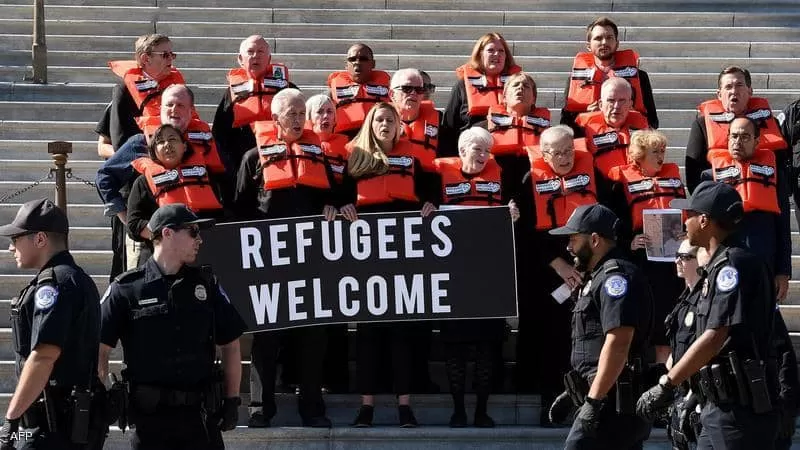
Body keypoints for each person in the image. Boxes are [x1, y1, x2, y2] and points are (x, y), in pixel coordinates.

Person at [636, 181, 779, 449]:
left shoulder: (732, 266)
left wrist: (667, 385)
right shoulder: (716, 266)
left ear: (704, 220)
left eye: (688, 215)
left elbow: (715, 337)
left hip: (740, 409)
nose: (684, 223)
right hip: (716, 403)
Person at [98, 204, 245, 449]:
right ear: (167, 233)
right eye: (192, 232)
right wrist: (105, 393)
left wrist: (232, 400)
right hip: (149, 422)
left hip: (199, 420)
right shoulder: (126, 288)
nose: (199, 239)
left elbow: (230, 343)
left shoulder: (206, 286)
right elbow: (98, 347)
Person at [233, 88, 334, 428]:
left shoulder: (317, 155)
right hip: (269, 262)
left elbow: (331, 197)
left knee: (312, 337)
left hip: (312, 262)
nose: (297, 118)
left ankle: (312, 408)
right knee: (267, 339)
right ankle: (261, 408)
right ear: (274, 118)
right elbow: (241, 210)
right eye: (290, 113)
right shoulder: (253, 158)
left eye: (300, 112)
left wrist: (332, 206)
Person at [341, 102, 438, 428]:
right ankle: (366, 407)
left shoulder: (412, 158)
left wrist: (430, 203)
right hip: (366, 256)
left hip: (403, 257)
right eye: (379, 119)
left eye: (390, 120)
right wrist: (343, 207)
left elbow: (431, 194)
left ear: (399, 126)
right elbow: (340, 197)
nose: (384, 124)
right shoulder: (354, 158)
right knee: (368, 332)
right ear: (371, 123)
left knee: (401, 333)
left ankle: (404, 406)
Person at [0, 199, 107, 449]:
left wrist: (10, 420)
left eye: (16, 239)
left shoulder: (55, 284)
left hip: (54, 425)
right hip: (61, 422)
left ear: (40, 239)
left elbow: (44, 356)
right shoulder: (74, 278)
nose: (10, 248)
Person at [546, 204, 654, 449]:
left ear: (594, 240)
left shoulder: (615, 278)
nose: (568, 247)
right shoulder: (597, 277)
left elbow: (618, 343)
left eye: (573, 239)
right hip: (602, 396)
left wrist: (593, 402)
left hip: (613, 403)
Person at [432, 127, 519, 428]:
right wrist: (428, 208)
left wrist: (512, 214)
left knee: (487, 345)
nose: (482, 156)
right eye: (476, 149)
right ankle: (458, 409)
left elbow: (513, 217)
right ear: (462, 150)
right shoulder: (437, 177)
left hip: (488, 274)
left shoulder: (502, 179)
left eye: (486, 151)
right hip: (453, 274)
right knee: (455, 346)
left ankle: (481, 410)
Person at [513, 125, 597, 425]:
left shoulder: (590, 175)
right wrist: (557, 263)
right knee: (549, 340)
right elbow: (522, 234)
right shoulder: (528, 180)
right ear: (544, 153)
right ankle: (549, 404)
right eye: (557, 153)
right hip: (545, 273)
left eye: (569, 152)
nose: (564, 158)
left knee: (580, 339)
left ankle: (581, 403)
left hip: (585, 268)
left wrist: (587, 263)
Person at [96, 84, 227, 271]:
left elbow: (225, 183)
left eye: (181, 105)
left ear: (191, 111)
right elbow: (104, 176)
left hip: (199, 245)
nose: (174, 109)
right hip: (150, 245)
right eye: (169, 105)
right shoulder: (141, 142)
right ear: (161, 109)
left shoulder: (205, 141)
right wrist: (126, 218)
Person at [608, 129, 686, 363]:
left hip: (670, 265)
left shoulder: (673, 177)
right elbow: (612, 223)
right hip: (640, 262)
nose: (661, 156)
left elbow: (688, 213)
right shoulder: (619, 181)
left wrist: (685, 231)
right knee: (641, 321)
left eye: (663, 150)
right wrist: (629, 242)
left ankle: (666, 380)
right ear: (640, 154)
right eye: (655, 152)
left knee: (666, 323)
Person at [701, 117, 791, 303]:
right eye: (733, 136)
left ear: (757, 142)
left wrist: (783, 271)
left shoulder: (775, 176)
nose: (737, 142)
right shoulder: (710, 176)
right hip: (724, 262)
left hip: (762, 260)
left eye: (745, 137)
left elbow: (783, 226)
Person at [125, 124, 227, 267]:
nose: (167, 145)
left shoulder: (205, 176)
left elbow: (222, 215)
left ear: (184, 146)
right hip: (161, 259)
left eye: (172, 139)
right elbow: (133, 225)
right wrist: (168, 238)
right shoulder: (142, 183)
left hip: (204, 253)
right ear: (154, 151)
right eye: (160, 142)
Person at [685, 66, 788, 193]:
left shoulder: (771, 123)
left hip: (762, 199)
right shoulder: (702, 125)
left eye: (739, 85)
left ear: (750, 91)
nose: (734, 91)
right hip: (720, 200)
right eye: (728, 87)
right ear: (719, 94)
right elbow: (693, 174)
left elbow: (783, 169)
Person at [212, 35, 293, 172]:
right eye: (250, 52)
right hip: (243, 162)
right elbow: (219, 133)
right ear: (240, 59)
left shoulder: (287, 90)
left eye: (261, 52)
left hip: (280, 160)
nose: (256, 56)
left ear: (269, 59)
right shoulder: (231, 94)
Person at [561, 17, 658, 130]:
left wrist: (626, 113)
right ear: (588, 45)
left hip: (627, 141)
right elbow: (564, 124)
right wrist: (586, 113)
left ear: (617, 44)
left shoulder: (640, 77)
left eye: (609, 38)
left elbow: (653, 122)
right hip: (589, 141)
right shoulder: (576, 79)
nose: (604, 42)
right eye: (598, 38)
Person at [441, 32, 521, 156]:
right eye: (491, 50)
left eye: (501, 51)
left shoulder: (519, 85)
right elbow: (448, 127)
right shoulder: (462, 86)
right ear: (479, 55)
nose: (497, 54)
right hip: (473, 154)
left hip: (509, 155)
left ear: (506, 56)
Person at [107, 33, 190, 149]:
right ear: (146, 59)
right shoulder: (124, 91)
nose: (171, 59)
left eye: (172, 54)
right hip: (140, 159)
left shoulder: (177, 89)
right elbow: (118, 142)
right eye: (165, 55)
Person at [574, 78, 649, 201]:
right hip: (601, 195)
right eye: (611, 100)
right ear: (600, 105)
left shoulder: (643, 127)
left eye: (622, 101)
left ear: (630, 104)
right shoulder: (581, 130)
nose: (616, 106)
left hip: (638, 192)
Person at [662, 241, 707, 450]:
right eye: (677, 255)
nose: (678, 260)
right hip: (681, 392)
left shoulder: (704, 301)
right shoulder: (683, 300)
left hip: (699, 396)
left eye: (685, 256)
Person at [478, 72, 550, 198]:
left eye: (526, 86)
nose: (520, 88)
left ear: (534, 99)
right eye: (516, 85)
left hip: (533, 186)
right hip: (497, 187)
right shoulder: (481, 129)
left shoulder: (549, 133)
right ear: (504, 97)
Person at [327, 43, 391, 138]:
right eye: (352, 59)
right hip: (345, 137)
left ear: (373, 64)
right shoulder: (333, 90)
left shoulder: (389, 86)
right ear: (346, 65)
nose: (357, 62)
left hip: (376, 135)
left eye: (363, 59)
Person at [391, 68, 440, 171]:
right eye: (406, 88)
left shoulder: (439, 124)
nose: (413, 93)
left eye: (419, 90)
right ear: (392, 94)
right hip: (392, 181)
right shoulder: (378, 122)